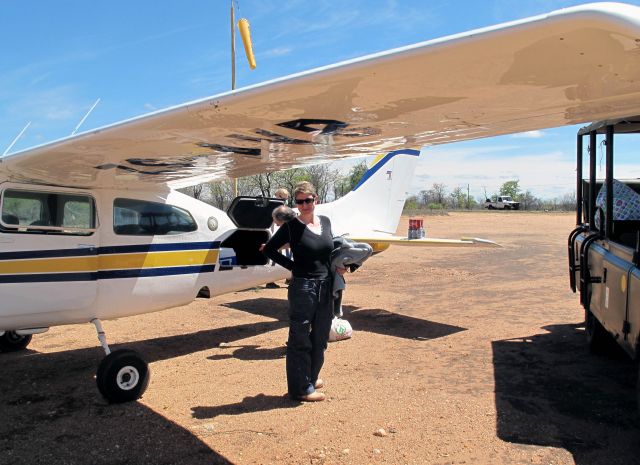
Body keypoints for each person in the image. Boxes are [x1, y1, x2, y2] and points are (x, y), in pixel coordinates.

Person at [263, 181, 345, 402]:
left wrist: (340, 267)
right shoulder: (291, 226)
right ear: (296, 203)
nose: (304, 205)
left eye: (308, 200)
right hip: (303, 287)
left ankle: (311, 377)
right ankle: (300, 390)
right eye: (300, 201)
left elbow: (329, 252)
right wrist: (292, 267)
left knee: (320, 337)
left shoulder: (325, 223)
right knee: (300, 338)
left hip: (326, 286)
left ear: (315, 199)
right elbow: (270, 249)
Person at [265, 189, 292, 289]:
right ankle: (270, 281)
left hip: (282, 236)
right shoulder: (275, 208)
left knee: (287, 257)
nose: (286, 199)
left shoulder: (280, 207)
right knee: (274, 260)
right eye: (284, 197)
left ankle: (289, 278)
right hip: (276, 236)